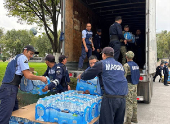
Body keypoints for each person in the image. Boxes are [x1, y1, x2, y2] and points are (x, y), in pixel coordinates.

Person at [77, 47, 128, 124]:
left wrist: (81, 76)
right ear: (112, 55)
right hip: (122, 99)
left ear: (103, 55)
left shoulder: (102, 63)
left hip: (110, 98)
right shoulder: (120, 65)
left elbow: (89, 74)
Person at [0, 45, 47, 124]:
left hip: (10, 87)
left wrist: (17, 83)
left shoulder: (16, 57)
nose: (31, 56)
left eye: (33, 54)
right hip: (9, 89)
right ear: (25, 50)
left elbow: (14, 72)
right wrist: (41, 78)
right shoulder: (23, 58)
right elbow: (28, 75)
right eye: (30, 53)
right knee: (5, 116)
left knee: (15, 113)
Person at [123, 51, 140, 124]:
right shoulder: (136, 65)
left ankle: (128, 121)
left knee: (129, 103)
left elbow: (123, 77)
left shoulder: (126, 65)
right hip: (135, 85)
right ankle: (135, 118)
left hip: (129, 85)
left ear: (126, 57)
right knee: (134, 102)